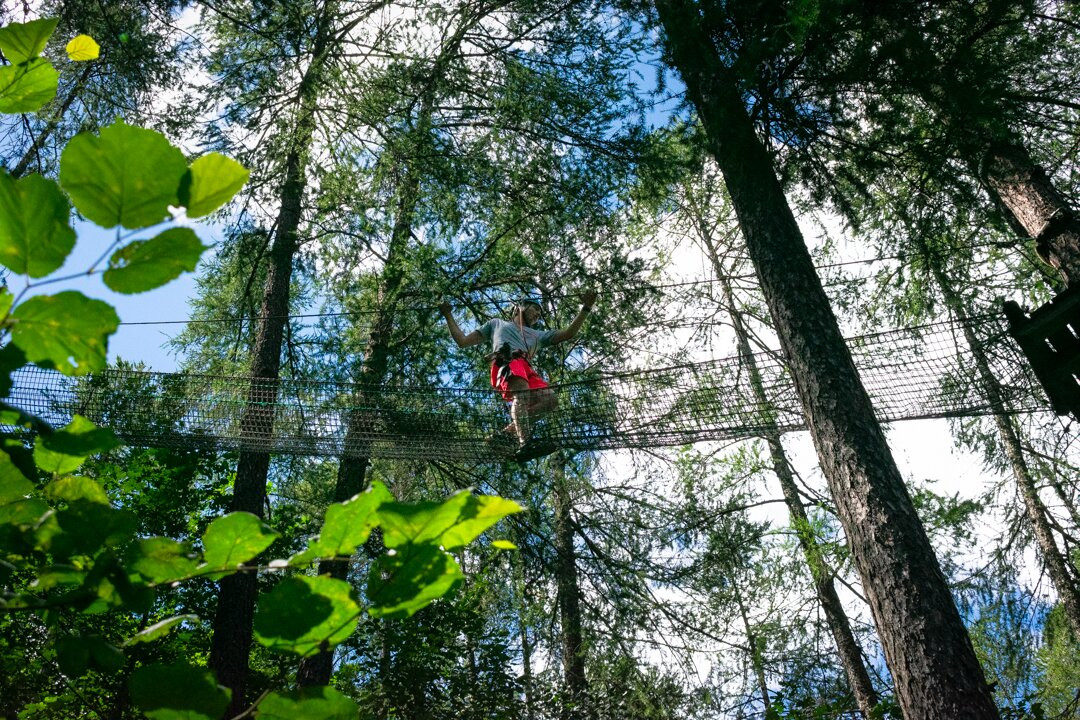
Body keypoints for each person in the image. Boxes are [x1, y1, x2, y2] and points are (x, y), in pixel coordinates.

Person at [439, 291, 597, 448]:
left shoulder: (539, 335)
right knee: (521, 393)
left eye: (540, 313)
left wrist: (586, 307)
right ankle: (525, 442)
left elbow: (568, 333)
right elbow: (463, 341)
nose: (538, 315)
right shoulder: (497, 324)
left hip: (526, 367)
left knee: (550, 400)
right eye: (535, 309)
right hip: (507, 359)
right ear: (521, 307)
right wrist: (448, 315)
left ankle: (506, 433)